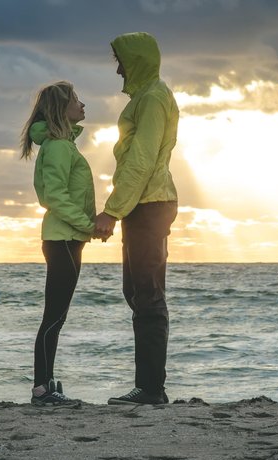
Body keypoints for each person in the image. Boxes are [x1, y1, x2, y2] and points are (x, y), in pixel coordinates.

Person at [94, 32, 179, 405]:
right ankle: (148, 386)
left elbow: (141, 160)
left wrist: (112, 210)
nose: (117, 70)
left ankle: (150, 389)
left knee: (147, 296)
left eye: (121, 62)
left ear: (137, 61)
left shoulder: (154, 98)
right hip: (142, 205)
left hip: (151, 202)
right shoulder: (146, 96)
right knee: (136, 292)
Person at [20, 81, 95, 406]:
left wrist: (84, 229)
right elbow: (53, 196)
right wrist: (88, 225)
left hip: (67, 238)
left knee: (57, 316)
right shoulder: (59, 147)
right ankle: (41, 389)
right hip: (62, 237)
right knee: (53, 317)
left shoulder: (62, 145)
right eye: (76, 100)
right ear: (61, 108)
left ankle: (47, 382)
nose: (83, 105)